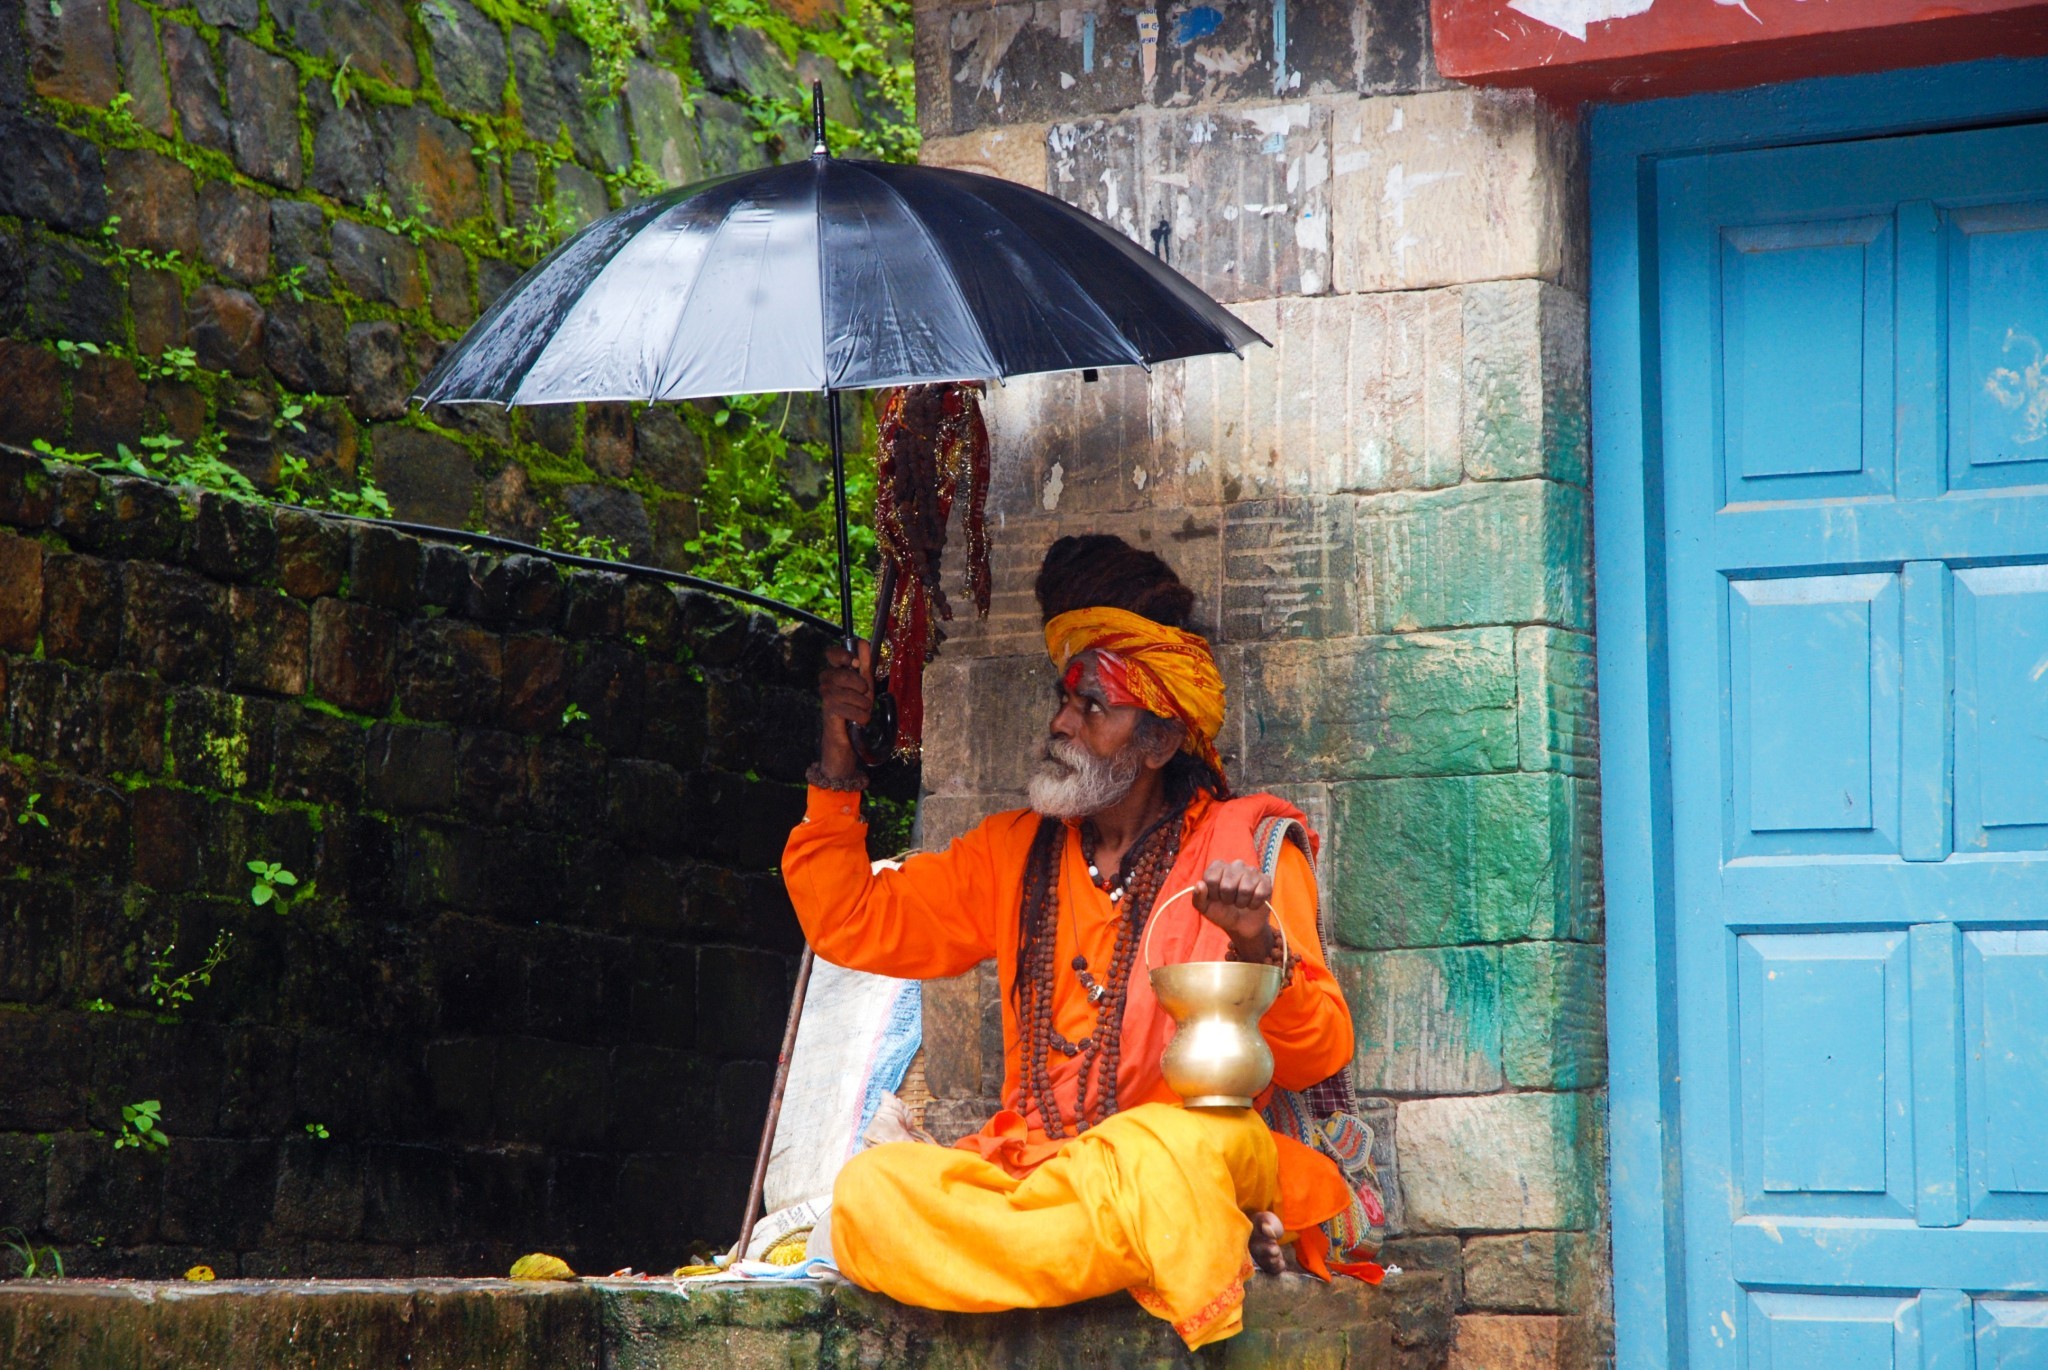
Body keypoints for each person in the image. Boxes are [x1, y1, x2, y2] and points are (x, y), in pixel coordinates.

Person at [781, 534, 1355, 1349]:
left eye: (1095, 708)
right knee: (871, 1191)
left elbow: (1320, 1051)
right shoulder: (1014, 851)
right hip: (1045, 1175)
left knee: (1162, 1156)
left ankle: (1133, 1238)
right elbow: (851, 923)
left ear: (1159, 740)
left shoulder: (1243, 844)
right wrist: (839, 760)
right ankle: (1157, 1249)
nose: (1061, 722)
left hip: (1189, 1151)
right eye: (1066, 698)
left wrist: (1260, 945)